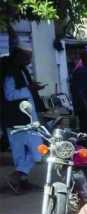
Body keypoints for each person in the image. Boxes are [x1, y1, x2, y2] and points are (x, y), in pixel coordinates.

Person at [2, 45, 46, 194]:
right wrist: (29, 88)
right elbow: (9, 95)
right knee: (30, 152)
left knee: (37, 152)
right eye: (27, 57)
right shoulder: (10, 73)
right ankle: (20, 178)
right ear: (18, 57)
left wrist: (31, 88)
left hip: (26, 118)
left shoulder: (21, 71)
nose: (29, 60)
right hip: (16, 119)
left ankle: (19, 177)